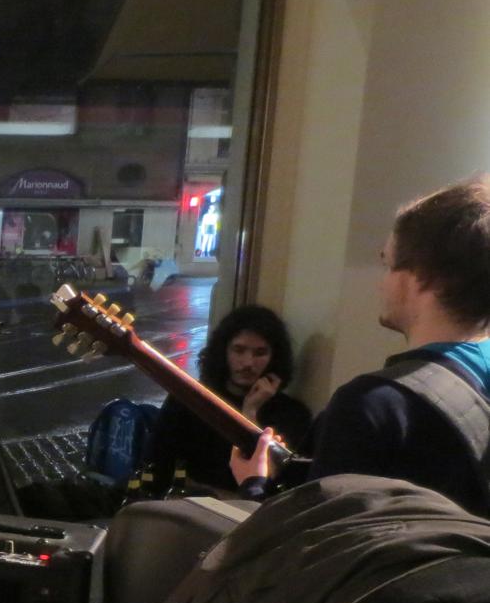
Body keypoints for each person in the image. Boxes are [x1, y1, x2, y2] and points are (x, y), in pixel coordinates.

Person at [234, 175, 490, 513]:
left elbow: (320, 540)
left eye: (387, 263)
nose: (381, 284)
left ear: (418, 278)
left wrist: (254, 485)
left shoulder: (372, 406)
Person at [147, 304, 313, 492]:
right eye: (239, 350)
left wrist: (250, 414)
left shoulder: (292, 414)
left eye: (260, 353)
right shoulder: (190, 400)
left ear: (274, 358)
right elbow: (156, 465)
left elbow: (266, 482)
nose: (248, 362)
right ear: (224, 351)